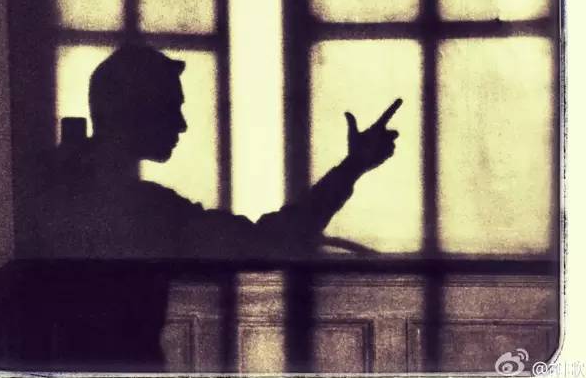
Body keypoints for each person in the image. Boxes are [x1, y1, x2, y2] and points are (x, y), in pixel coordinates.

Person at [34, 44, 402, 262]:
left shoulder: (53, 189)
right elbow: (266, 242)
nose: (182, 125)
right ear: (132, 113)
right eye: (170, 109)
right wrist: (353, 166)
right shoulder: (150, 210)